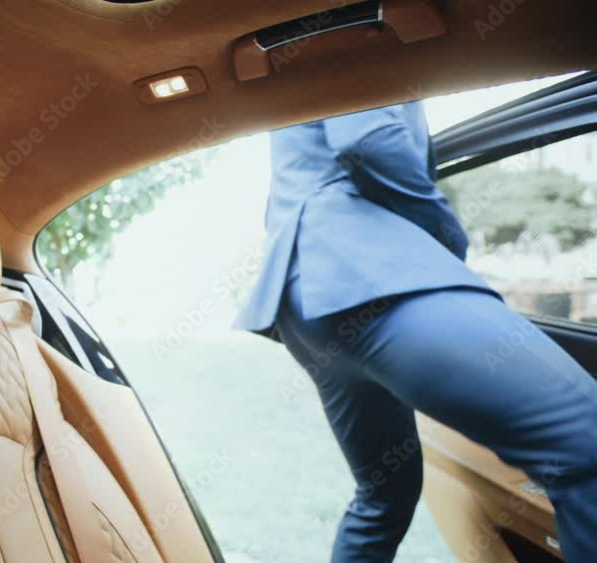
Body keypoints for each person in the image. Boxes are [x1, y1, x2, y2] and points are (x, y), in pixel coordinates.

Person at [235, 101, 597, 562]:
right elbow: (368, 139)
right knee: (588, 446)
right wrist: (446, 243)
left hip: (306, 301)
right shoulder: (372, 29)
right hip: (365, 272)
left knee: (383, 496)